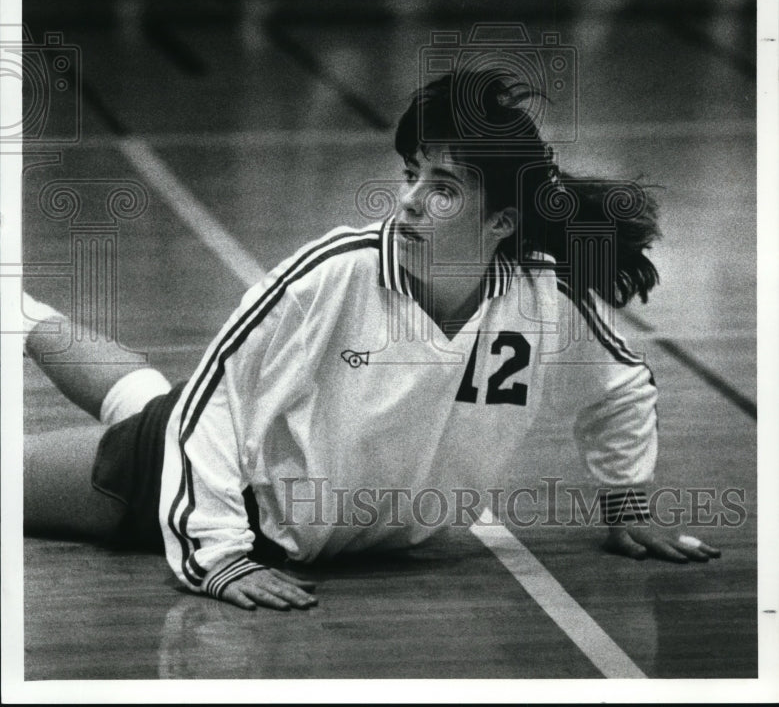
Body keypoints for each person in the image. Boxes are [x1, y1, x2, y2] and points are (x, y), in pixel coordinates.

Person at [23, 67, 720, 612]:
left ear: (503, 222)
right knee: (125, 428)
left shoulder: (545, 296)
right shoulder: (336, 271)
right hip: (179, 475)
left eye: (442, 186)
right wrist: (220, 555)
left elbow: (622, 384)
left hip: (253, 445)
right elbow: (211, 408)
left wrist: (627, 503)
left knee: (144, 396)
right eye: (411, 174)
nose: (411, 199)